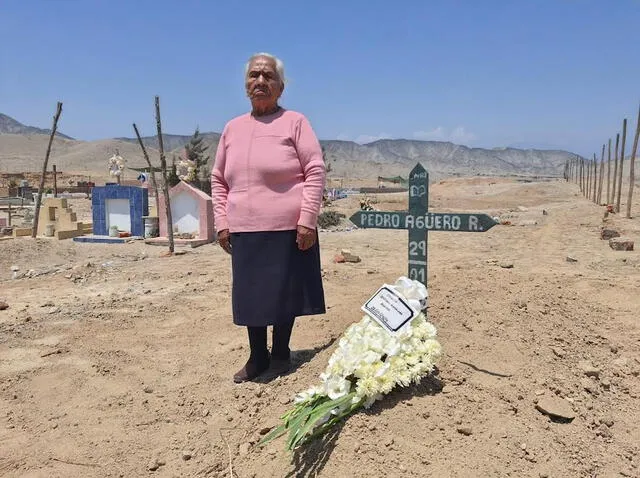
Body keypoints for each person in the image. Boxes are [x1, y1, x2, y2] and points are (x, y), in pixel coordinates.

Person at [211, 52, 327, 383]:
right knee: (251, 294)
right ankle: (256, 356)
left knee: (284, 292)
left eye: (268, 76)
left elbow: (315, 170)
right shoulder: (232, 128)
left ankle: (280, 355)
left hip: (287, 227)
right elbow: (218, 179)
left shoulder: (295, 122)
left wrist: (307, 219)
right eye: (253, 75)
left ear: (280, 86)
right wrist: (222, 222)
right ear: (246, 83)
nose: (260, 81)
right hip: (244, 229)